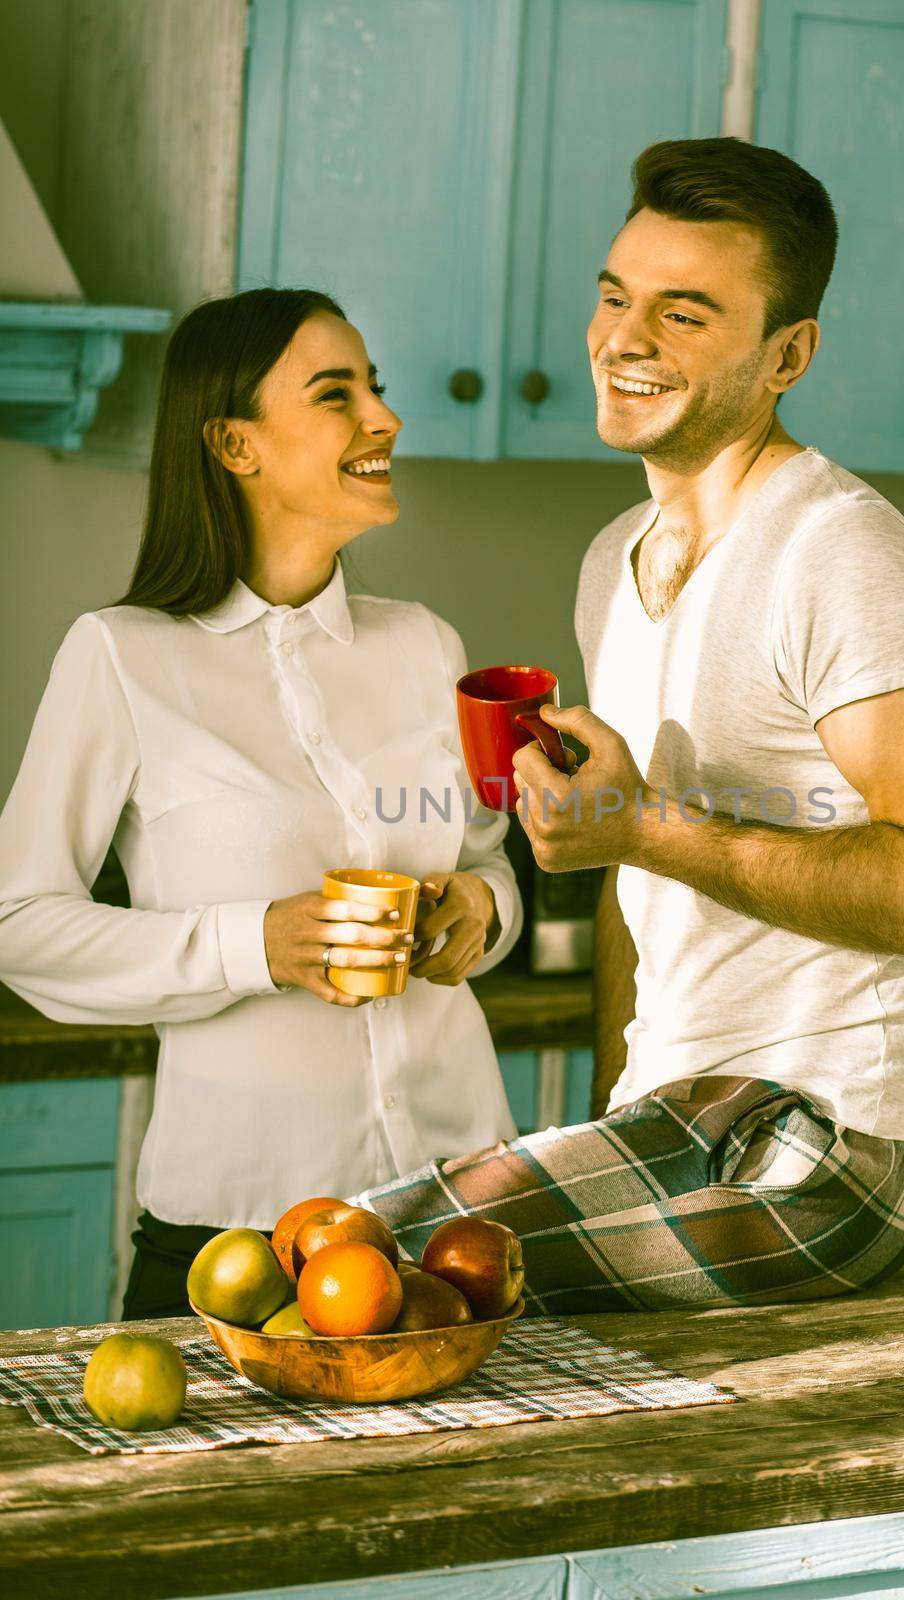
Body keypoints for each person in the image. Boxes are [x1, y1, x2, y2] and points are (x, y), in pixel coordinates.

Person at [355, 139, 904, 1314]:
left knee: (363, 1258)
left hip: (826, 1143)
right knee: (377, 1275)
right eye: (615, 295)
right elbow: (628, 882)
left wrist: (644, 827)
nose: (624, 339)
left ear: (787, 354)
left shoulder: (840, 551)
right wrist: (613, 1112)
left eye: (685, 314)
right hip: (679, 1116)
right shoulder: (617, 562)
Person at [0, 288, 523, 1318]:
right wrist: (258, 946)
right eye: (338, 394)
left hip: (456, 1223)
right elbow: (18, 924)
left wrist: (483, 911)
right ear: (234, 444)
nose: (384, 418)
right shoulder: (122, 656)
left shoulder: (428, 646)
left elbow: (488, 858)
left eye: (376, 387)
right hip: (239, 1242)